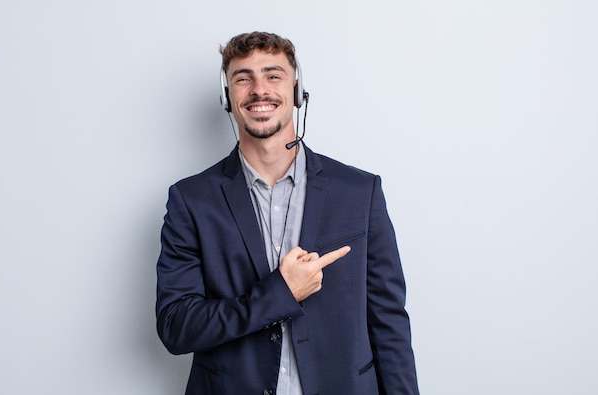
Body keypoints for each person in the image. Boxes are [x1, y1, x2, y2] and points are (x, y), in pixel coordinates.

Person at [156, 31, 419, 395]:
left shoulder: (360, 192)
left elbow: (388, 322)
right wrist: (279, 292)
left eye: (273, 75)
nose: (259, 89)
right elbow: (176, 326)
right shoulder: (191, 200)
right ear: (227, 96)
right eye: (243, 77)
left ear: (296, 91)